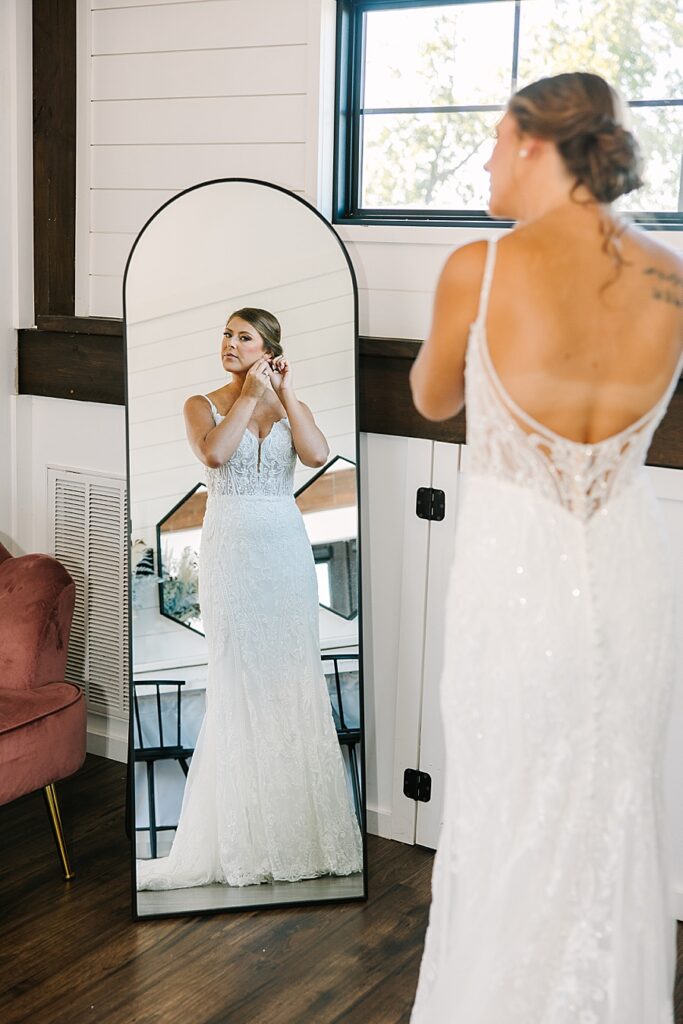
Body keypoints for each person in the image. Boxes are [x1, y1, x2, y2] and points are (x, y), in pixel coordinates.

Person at [408, 72, 683, 1022]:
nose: (484, 159)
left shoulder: (477, 268)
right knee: (611, 812)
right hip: (629, 566)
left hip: (515, 579)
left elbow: (432, 398)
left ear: (532, 142)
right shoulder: (671, 276)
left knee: (506, 811)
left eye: (492, 138)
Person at [136, 307, 363, 889]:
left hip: (285, 549)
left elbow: (315, 455)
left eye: (244, 338)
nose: (230, 344)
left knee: (292, 676)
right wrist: (247, 395)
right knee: (238, 678)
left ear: (268, 349)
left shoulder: (290, 404)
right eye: (227, 335)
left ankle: (299, 835)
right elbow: (213, 455)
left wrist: (284, 393)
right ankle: (241, 840)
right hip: (230, 548)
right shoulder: (202, 404)